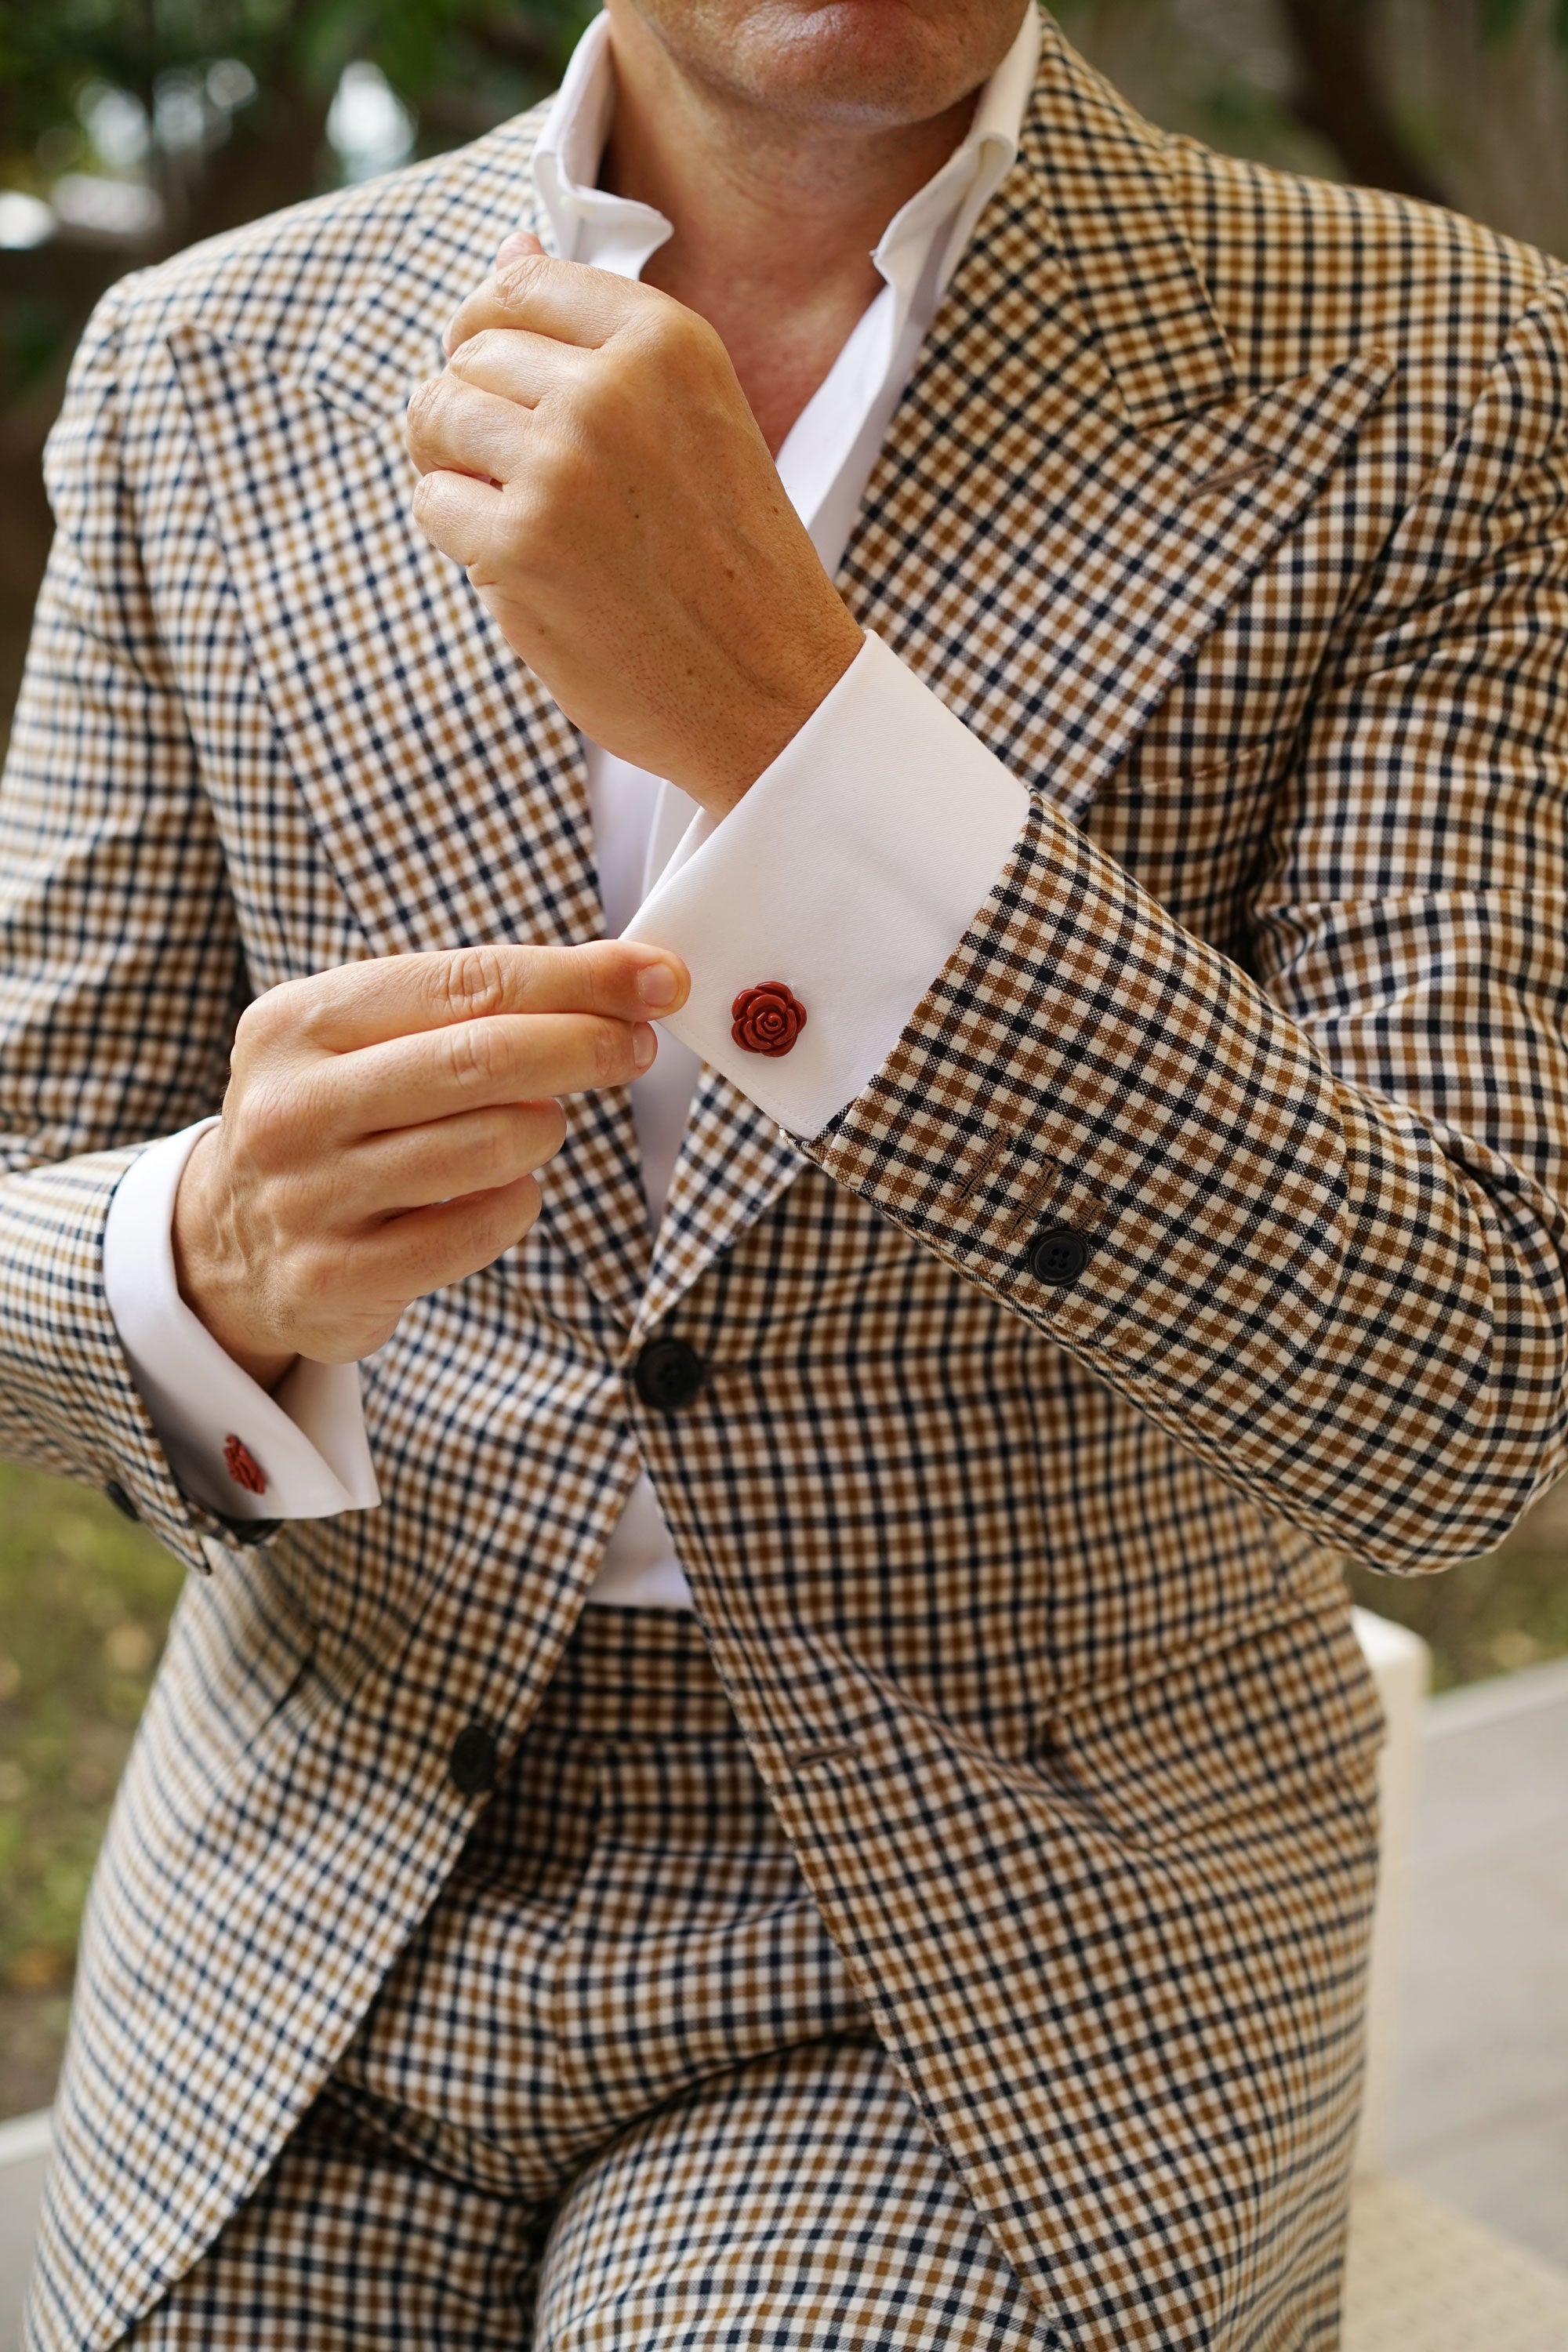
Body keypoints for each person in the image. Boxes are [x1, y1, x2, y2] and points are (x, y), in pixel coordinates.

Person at [5, 0, 1567, 2342]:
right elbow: (33, 1188)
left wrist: (796, 730)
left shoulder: (1455, 368)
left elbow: (1473, 1388)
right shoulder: (196, 365)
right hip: (316, 1857)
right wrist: (204, 1253)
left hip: (1017, 1926)